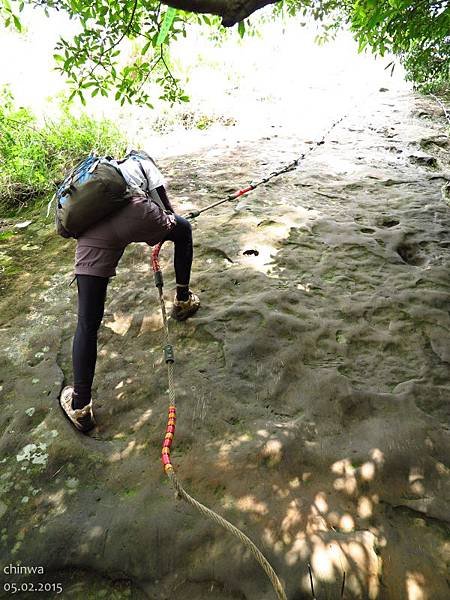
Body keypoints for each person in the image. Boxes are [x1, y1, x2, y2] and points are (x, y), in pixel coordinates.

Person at [59, 150, 200, 433]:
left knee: (87, 322)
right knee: (183, 230)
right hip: (137, 215)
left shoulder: (100, 176)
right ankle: (183, 300)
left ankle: (81, 405)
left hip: (93, 234)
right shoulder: (145, 164)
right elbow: (167, 211)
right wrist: (167, 222)